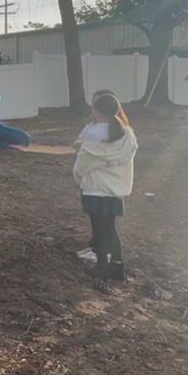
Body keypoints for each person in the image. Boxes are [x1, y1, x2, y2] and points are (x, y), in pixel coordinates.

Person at [73, 93, 138, 281]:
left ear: (97, 111)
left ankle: (102, 266)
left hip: (96, 188)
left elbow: (82, 164)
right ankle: (117, 266)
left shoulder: (92, 133)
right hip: (115, 190)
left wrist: (79, 179)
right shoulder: (126, 133)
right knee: (110, 229)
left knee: (99, 230)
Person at [74, 89, 115, 263]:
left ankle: (103, 252)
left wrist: (79, 174)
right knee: (98, 217)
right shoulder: (93, 127)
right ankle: (98, 247)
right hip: (96, 181)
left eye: (95, 105)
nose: (92, 108)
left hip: (100, 182)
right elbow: (79, 143)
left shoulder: (112, 130)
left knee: (103, 218)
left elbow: (89, 155)